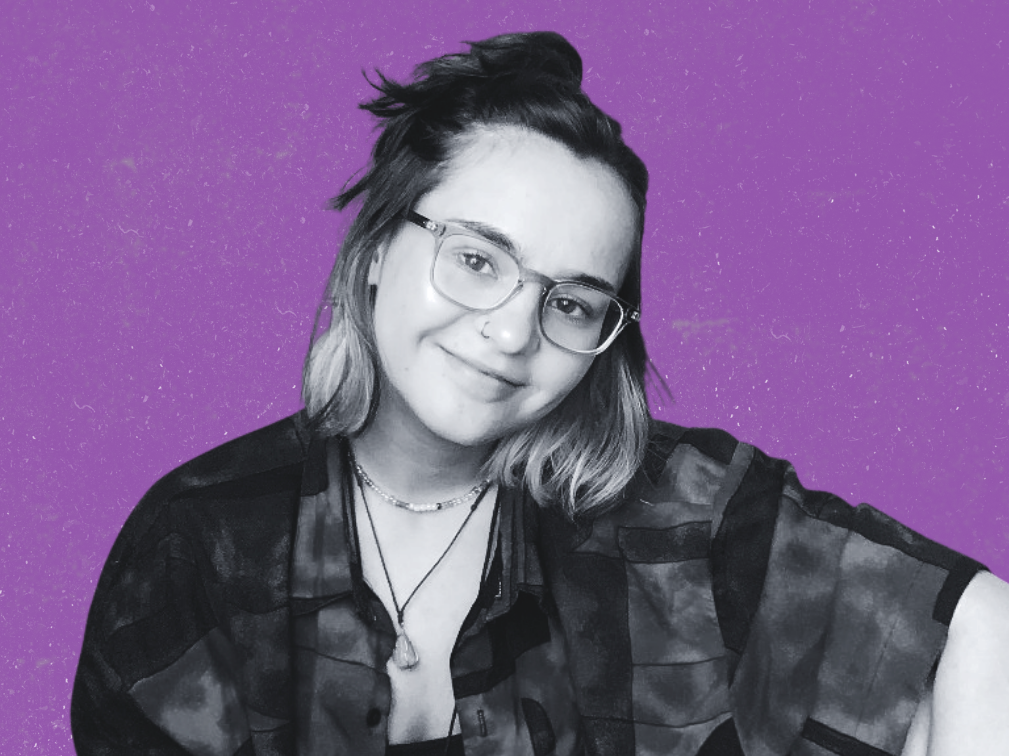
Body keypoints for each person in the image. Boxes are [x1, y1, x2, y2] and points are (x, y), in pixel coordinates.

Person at [71, 31, 1009, 756]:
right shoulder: (201, 540)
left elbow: (986, 632)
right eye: (476, 259)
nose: (513, 332)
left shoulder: (679, 517)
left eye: (569, 301)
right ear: (373, 256)